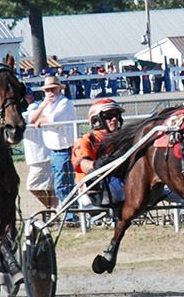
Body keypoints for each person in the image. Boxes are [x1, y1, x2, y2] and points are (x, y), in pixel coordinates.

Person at [29, 76, 77, 207]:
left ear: (59, 89)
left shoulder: (65, 103)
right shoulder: (46, 105)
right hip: (54, 151)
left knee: (63, 186)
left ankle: (72, 215)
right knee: (62, 185)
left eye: (53, 89)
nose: (50, 93)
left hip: (65, 150)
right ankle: (72, 214)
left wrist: (41, 120)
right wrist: (43, 105)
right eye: (47, 90)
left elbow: (54, 119)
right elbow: (32, 119)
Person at [71, 97, 127, 205]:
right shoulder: (86, 140)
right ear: (96, 120)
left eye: (117, 115)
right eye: (109, 116)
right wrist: (97, 165)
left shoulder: (122, 140)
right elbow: (83, 165)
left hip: (117, 184)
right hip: (92, 190)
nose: (114, 119)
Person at [21, 89, 58, 212]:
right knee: (49, 187)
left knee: (33, 185)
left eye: (28, 95)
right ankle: (53, 210)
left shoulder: (33, 109)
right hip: (41, 154)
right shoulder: (33, 109)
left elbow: (27, 118)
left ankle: (52, 209)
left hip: (40, 154)